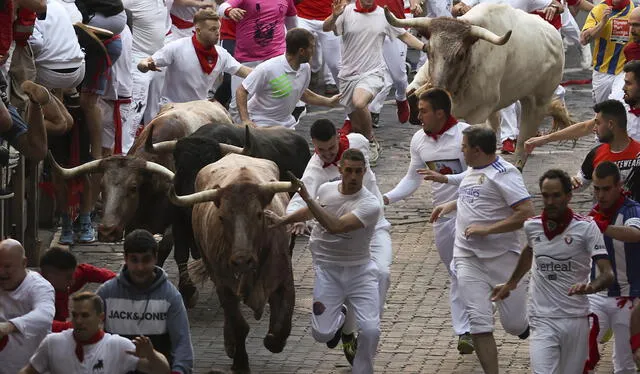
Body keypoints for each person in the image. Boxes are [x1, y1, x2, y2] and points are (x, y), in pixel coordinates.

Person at [285, 118, 392, 365]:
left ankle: (359, 327)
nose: (327, 154)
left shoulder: (358, 142)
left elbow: (369, 138)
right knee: (347, 283)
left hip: (373, 230)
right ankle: (345, 327)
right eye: (320, 150)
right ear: (314, 146)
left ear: (337, 137)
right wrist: (294, 220)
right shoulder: (315, 169)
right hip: (339, 241)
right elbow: (302, 197)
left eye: (331, 149)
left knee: (382, 274)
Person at [430, 126, 535, 374]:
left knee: (513, 325)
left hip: (502, 260)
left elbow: (527, 214)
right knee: (479, 323)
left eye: (464, 147)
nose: (461, 151)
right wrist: (450, 205)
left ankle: (524, 326)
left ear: (477, 150)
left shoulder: (505, 174)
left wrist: (488, 230)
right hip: (467, 257)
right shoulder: (472, 170)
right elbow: (473, 196)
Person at [268, 148, 382, 374]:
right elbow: (310, 213)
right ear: (340, 170)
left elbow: (335, 226)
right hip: (327, 271)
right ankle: (339, 317)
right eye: (348, 170)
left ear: (364, 172)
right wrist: (284, 220)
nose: (352, 177)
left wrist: (307, 198)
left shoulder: (370, 205)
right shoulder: (326, 189)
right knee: (321, 334)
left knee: (370, 330)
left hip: (360, 272)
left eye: (358, 172)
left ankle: (363, 370)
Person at [492, 169, 614, 374]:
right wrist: (511, 283)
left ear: (568, 196)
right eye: (545, 195)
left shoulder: (586, 228)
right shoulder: (532, 226)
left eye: (556, 195)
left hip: (576, 320)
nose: (550, 201)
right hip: (542, 319)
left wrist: (591, 286)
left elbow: (607, 273)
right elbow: (529, 250)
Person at [382, 88, 473, 354]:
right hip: (441, 218)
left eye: (422, 111)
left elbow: (478, 176)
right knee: (456, 273)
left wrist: (449, 182)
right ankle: (474, 314)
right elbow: (412, 178)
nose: (417, 116)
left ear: (440, 113)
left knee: (460, 270)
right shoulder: (419, 141)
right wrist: (385, 199)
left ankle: (465, 330)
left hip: (471, 214)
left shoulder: (466, 135)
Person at [322, 0, 427, 165]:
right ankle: (364, 146)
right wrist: (334, 16)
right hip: (347, 76)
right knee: (356, 125)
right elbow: (326, 28)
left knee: (359, 102)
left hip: (373, 72)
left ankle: (370, 140)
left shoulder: (383, 16)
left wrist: (426, 48)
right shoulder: (346, 11)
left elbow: (405, 36)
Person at [97, 229, 193, 374]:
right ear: (125, 258)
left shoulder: (170, 296)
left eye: (146, 260)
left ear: (155, 258)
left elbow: (182, 345)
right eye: (134, 260)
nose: (140, 267)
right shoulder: (106, 293)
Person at [19, 291, 171, 374]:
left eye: (85, 315)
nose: (78, 321)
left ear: (100, 318)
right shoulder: (53, 343)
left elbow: (162, 370)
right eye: (75, 315)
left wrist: (151, 355)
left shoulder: (118, 346)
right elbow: (29, 371)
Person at [137, 8, 251, 118]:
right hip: (172, 108)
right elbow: (143, 64)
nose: (217, 33)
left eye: (218, 29)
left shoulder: (221, 54)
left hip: (199, 109)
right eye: (212, 29)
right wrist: (145, 66)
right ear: (198, 30)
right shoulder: (177, 47)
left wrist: (267, 71)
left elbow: (244, 71)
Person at [584, 161, 640, 373]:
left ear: (619, 185)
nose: (600, 195)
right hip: (597, 295)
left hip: (628, 298)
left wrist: (602, 226)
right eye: (596, 189)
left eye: (606, 189)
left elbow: (635, 234)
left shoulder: (633, 210)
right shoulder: (593, 212)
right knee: (581, 350)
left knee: (625, 364)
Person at [526, 59, 640, 154]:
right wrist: (545, 139)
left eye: (628, 84)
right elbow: (586, 127)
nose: (623, 88)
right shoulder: (620, 109)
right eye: (624, 83)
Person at [236, 28, 340, 129]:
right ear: (302, 51)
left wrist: (328, 102)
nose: (314, 51)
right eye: (312, 47)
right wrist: (246, 120)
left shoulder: (305, 68)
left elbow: (303, 93)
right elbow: (241, 90)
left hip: (287, 123)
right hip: (260, 122)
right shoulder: (268, 68)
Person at [217, 0, 299, 123]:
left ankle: (275, 135)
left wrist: (295, 46)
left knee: (278, 100)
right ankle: (240, 138)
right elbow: (223, 7)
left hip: (274, 57)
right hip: (246, 59)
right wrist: (230, 11)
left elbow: (292, 23)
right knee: (236, 107)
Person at [0, 239, 55, 374]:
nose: (1, 272)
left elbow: (44, 315)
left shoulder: (39, 287)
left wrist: (9, 326)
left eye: (7, 266)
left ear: (24, 263)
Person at [571, 99, 640, 201]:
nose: (594, 129)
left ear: (611, 124)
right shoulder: (595, 154)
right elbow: (580, 183)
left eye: (598, 123)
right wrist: (573, 181)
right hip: (602, 216)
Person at [39, 246, 116, 332]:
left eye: (73, 274)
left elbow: (86, 271)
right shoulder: (35, 294)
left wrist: (118, 281)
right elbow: (41, 324)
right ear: (50, 277)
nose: (73, 281)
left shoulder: (65, 280)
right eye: (68, 277)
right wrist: (76, 326)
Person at [581, 0, 634, 104]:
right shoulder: (599, 9)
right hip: (602, 71)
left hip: (625, 70)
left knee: (618, 104)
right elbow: (584, 40)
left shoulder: (635, 10)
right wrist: (602, 23)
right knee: (602, 111)